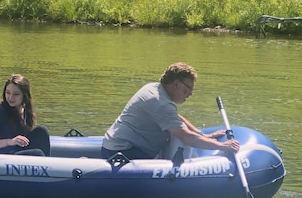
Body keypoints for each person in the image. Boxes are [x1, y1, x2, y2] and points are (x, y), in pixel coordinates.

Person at [101, 62, 240, 160]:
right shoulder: (161, 103)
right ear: (176, 84)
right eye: (187, 89)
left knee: (178, 133)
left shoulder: (154, 88)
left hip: (118, 146)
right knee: (182, 138)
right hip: (124, 152)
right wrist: (222, 146)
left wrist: (202, 135)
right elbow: (186, 137)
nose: (190, 94)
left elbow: (176, 118)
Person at [0, 74, 50, 156]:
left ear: (24, 95)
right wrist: (10, 142)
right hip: (0, 156)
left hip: (16, 151)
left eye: (16, 94)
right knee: (37, 153)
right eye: (8, 93)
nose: (10, 97)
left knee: (41, 131)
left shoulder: (24, 110)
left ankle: (47, 165)